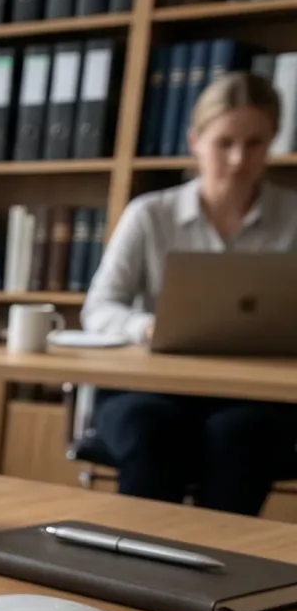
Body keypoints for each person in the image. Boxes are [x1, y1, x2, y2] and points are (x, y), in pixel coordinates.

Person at [83, 71, 297, 515]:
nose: (239, 159)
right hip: (148, 389)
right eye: (224, 143)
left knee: (242, 437)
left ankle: (217, 575)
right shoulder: (149, 215)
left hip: (258, 397)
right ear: (195, 141)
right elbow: (99, 308)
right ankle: (134, 568)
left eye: (255, 143)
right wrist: (146, 326)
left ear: (273, 142)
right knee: (152, 431)